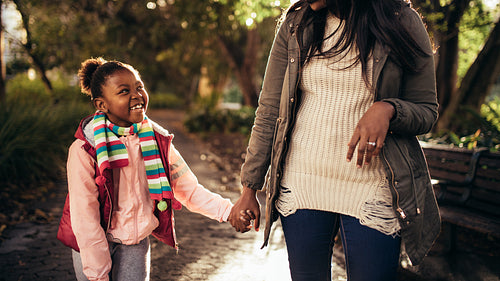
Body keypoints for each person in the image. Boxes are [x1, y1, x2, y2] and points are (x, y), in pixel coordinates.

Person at [228, 0, 440, 280]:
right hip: (302, 185)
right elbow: (269, 111)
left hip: (372, 189)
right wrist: (249, 188)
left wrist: (388, 109)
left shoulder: (401, 21)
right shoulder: (297, 24)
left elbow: (427, 110)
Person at [57, 57, 233, 281]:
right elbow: (85, 218)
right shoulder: (84, 149)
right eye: (124, 91)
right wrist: (99, 274)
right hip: (90, 245)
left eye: (139, 86)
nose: (137, 95)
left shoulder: (157, 141)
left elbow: (188, 188)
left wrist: (228, 211)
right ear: (102, 105)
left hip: (135, 243)